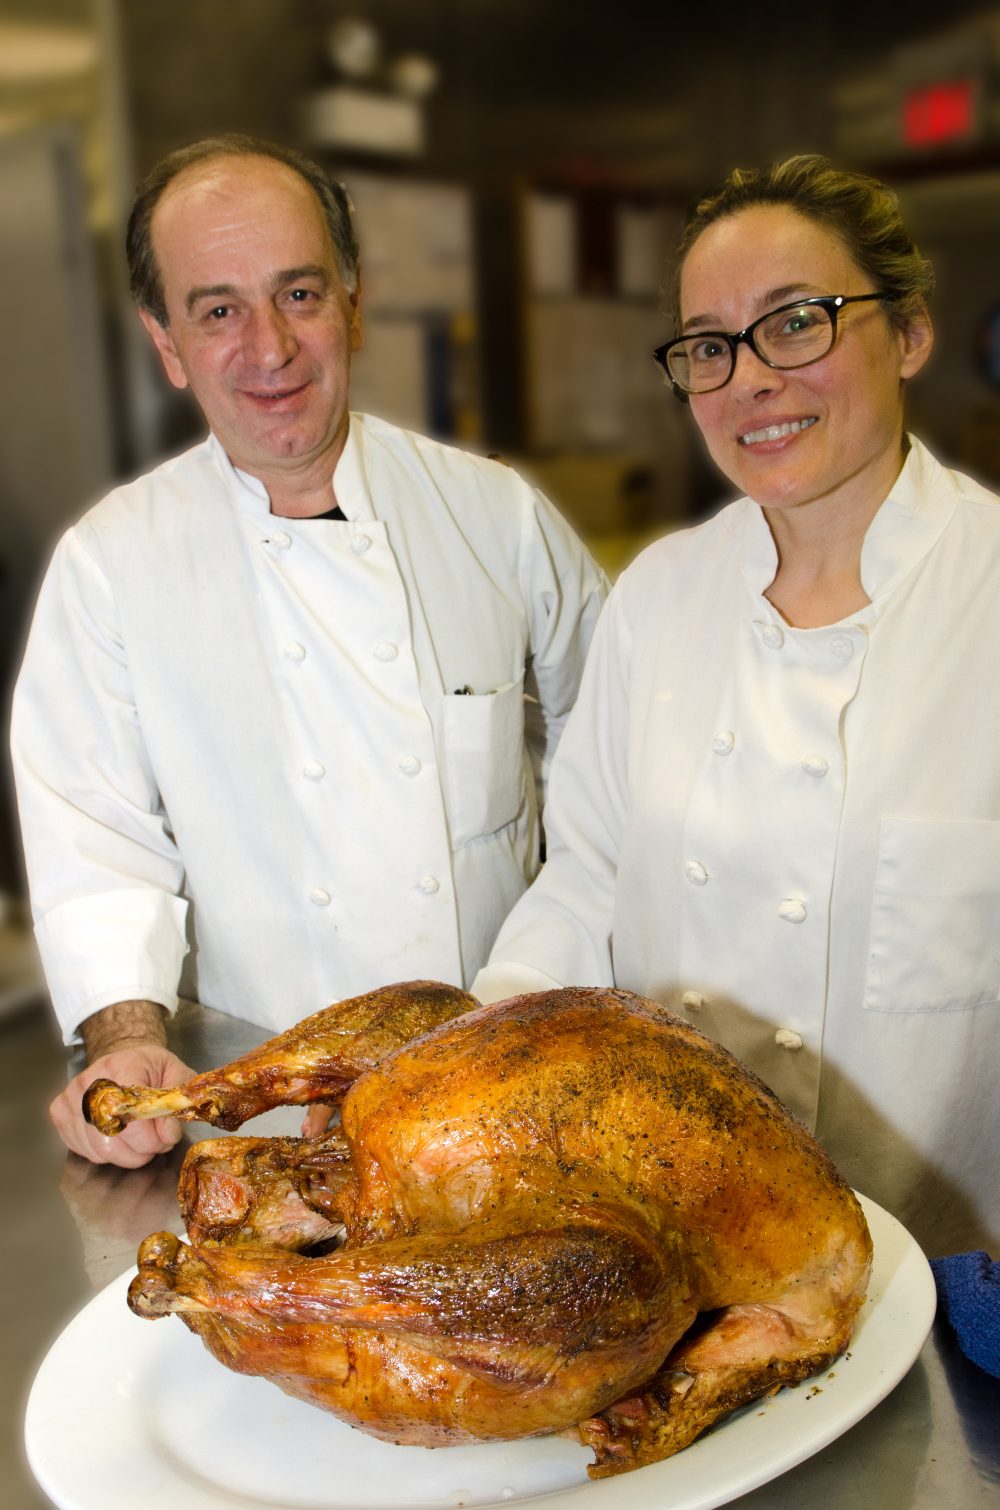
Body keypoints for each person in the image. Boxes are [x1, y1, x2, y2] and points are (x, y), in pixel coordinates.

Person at [11, 134, 607, 1169]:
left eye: (299, 294)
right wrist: (124, 1035)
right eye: (218, 309)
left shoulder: (495, 516)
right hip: (264, 1122)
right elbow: (95, 840)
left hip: (501, 1096)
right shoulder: (111, 564)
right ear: (167, 346)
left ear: (353, 304)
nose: (270, 347)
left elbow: (613, 765)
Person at [473, 154, 1000, 1257]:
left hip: (955, 1266)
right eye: (708, 345)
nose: (749, 378)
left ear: (907, 334)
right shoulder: (661, 596)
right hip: (684, 1234)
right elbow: (590, 870)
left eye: (795, 322)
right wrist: (494, 1027)